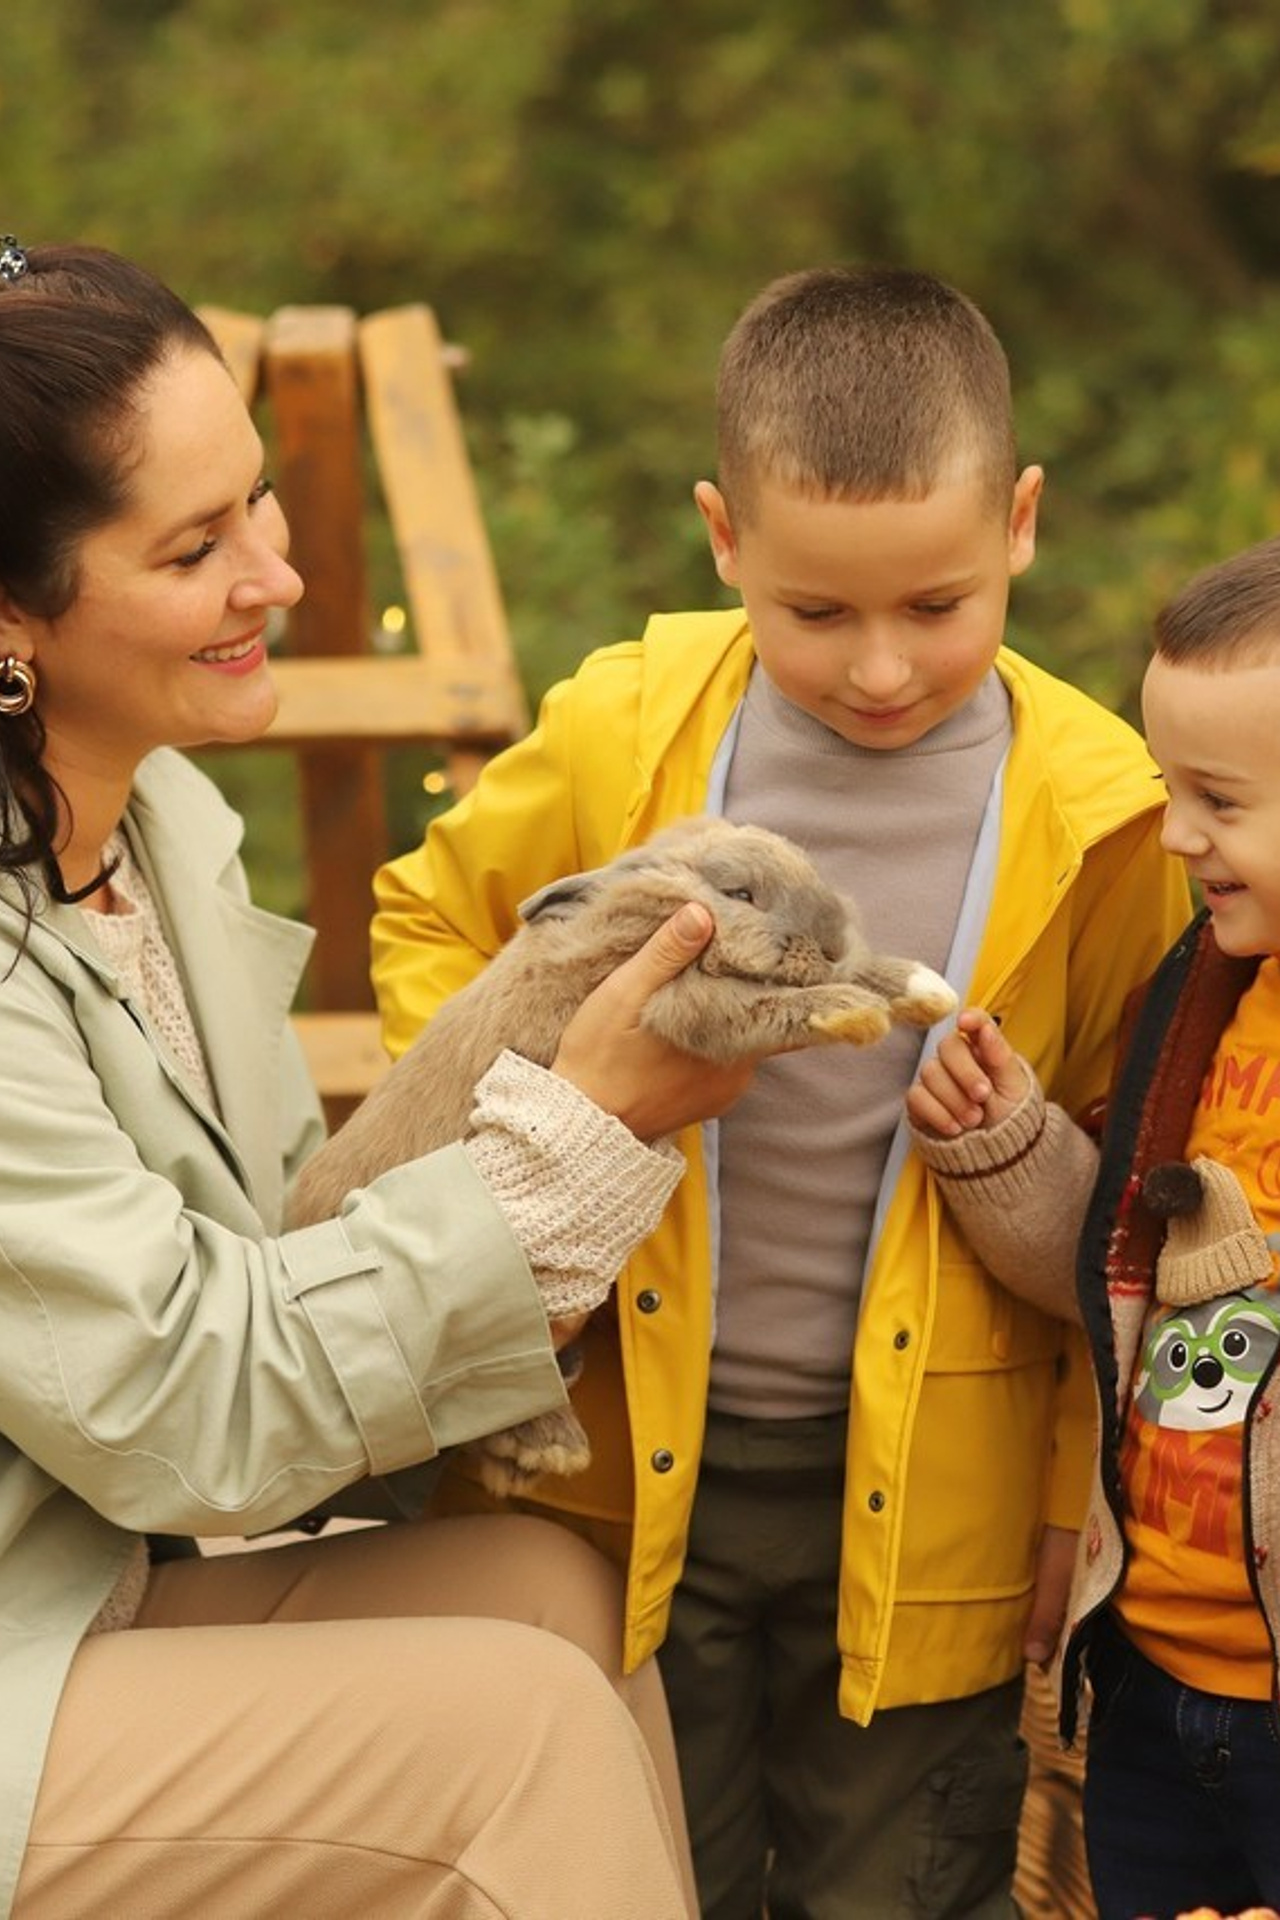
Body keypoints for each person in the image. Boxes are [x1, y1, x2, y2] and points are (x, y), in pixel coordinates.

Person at [369, 263, 1190, 1917]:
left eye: (938, 606)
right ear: (724, 540)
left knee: (897, 1884)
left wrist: (1071, 1503)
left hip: (935, 1502)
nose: (882, 668)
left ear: (1022, 523)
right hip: (604, 1474)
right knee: (620, 1868)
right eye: (816, 614)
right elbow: (432, 919)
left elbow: (1133, 1200)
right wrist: (541, 1106)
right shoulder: (623, 727)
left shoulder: (1110, 814)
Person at [0, 237, 771, 1920]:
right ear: (11, 621)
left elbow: (269, 1273)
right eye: (196, 546)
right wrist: (576, 1139)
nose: (278, 574)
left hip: (78, 1585)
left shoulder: (153, 829)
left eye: (258, 504)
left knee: (545, 1593)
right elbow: (188, 1413)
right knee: (506, 1735)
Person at [906, 535, 1280, 1920]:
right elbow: (1120, 1278)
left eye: (1218, 802)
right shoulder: (1204, 994)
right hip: (1154, 1682)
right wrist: (1006, 1148)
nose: (1176, 833)